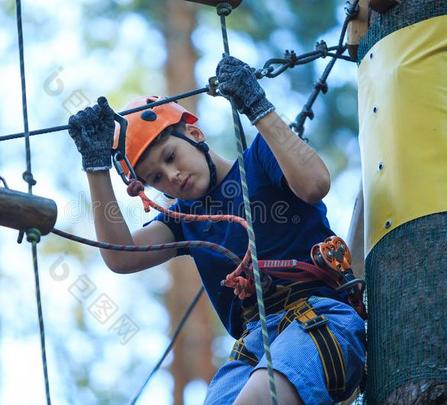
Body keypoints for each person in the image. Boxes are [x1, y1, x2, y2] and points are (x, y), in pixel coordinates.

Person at [67, 55, 365, 405]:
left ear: (194, 134)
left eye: (170, 156)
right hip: (252, 352)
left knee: (256, 398)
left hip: (322, 322)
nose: (172, 176)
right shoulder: (183, 220)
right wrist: (96, 167)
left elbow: (315, 183)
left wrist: (257, 105)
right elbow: (121, 257)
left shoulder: (259, 161)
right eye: (156, 179)